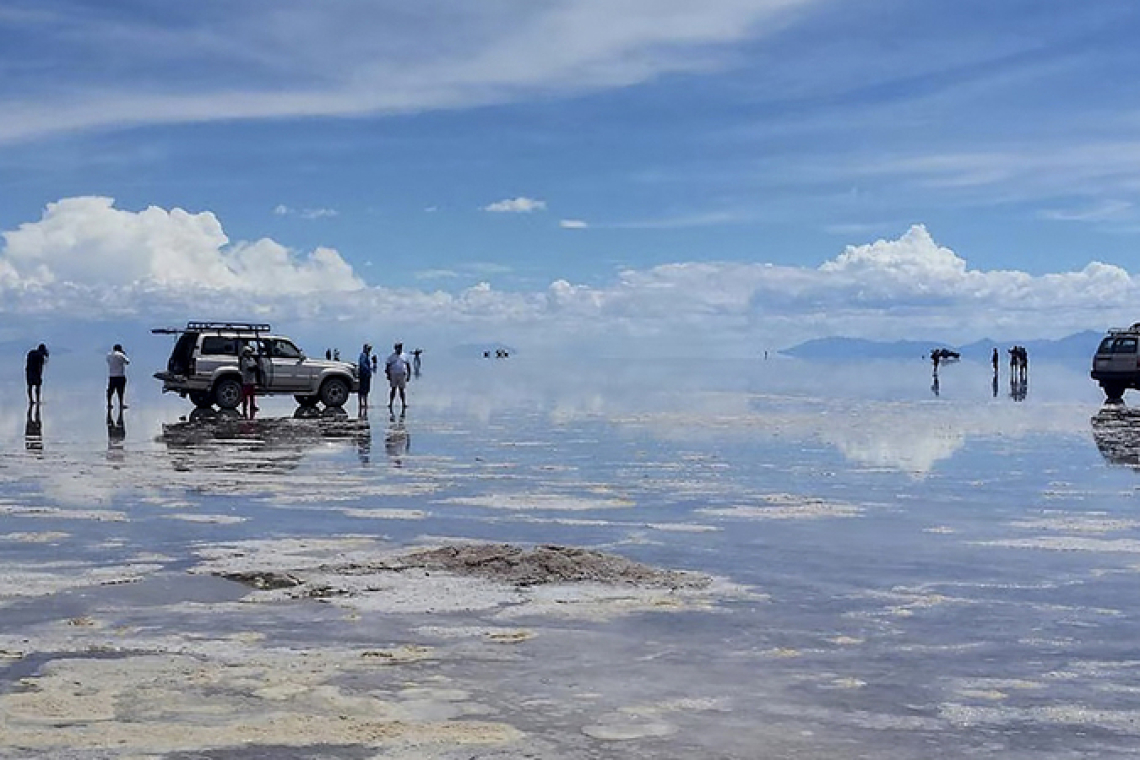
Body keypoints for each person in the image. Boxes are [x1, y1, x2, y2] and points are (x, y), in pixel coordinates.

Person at [385, 342, 410, 410]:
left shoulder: (404, 356)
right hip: (393, 374)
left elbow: (408, 366)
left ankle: (403, 403)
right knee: (393, 389)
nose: (399, 349)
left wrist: (408, 376)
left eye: (400, 347)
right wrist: (388, 375)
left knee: (402, 390)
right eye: (398, 348)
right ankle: (390, 403)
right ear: (395, 349)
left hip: (402, 374)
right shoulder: (391, 357)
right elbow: (387, 365)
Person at [106, 343, 130, 410]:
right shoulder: (121, 355)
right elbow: (127, 362)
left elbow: (108, 361)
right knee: (120, 391)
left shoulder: (109, 355)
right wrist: (124, 354)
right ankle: (121, 404)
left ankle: (109, 404)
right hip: (120, 376)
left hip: (112, 376)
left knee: (110, 391)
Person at [240, 344, 260, 419]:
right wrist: (255, 367)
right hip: (246, 380)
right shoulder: (244, 360)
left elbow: (255, 367)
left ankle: (252, 406)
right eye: (247, 352)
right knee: (245, 396)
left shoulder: (252, 359)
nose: (248, 353)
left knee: (252, 395)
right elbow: (250, 368)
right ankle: (244, 408)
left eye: (249, 352)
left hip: (252, 380)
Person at [357, 343, 373, 415]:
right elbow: (362, 364)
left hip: (364, 375)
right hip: (364, 375)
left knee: (364, 390)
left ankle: (363, 404)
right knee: (363, 390)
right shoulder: (363, 355)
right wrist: (368, 370)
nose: (369, 350)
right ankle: (363, 404)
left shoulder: (365, 356)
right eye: (368, 349)